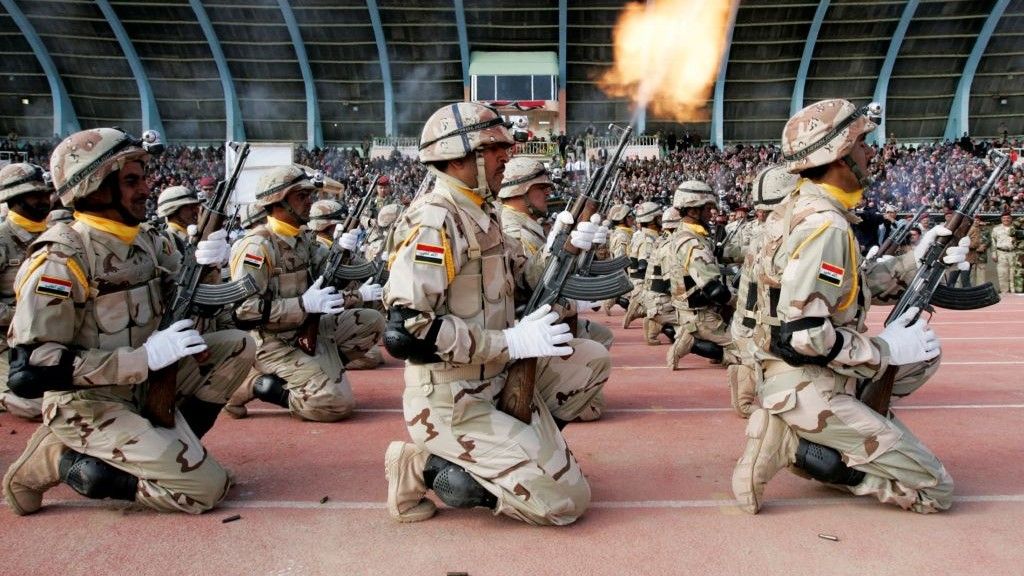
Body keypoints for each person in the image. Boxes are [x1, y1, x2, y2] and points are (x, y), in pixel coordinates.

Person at [732, 99, 969, 514]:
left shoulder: (796, 210)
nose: (869, 153)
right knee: (935, 491)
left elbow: (844, 290)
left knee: (923, 358)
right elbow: (805, 335)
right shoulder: (826, 226)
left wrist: (916, 261)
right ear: (839, 154)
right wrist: (885, 350)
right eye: (861, 144)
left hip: (791, 371)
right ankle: (796, 442)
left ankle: (833, 435)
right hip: (807, 381)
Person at [2, 127, 253, 515]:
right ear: (94, 188)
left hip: (144, 384)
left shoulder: (148, 240)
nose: (146, 189)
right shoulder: (62, 258)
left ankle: (176, 450)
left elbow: (192, 304)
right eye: (131, 181)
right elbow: (32, 369)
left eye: (144, 178)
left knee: (238, 346)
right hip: (89, 402)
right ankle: (58, 459)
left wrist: (209, 266)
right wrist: (143, 359)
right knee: (204, 491)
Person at [382, 102, 606, 526]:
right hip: (453, 398)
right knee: (565, 503)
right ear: (457, 157)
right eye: (493, 148)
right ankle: (422, 465)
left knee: (590, 359)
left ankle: (519, 455)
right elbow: (407, 331)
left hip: (497, 376)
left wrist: (570, 247)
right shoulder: (436, 220)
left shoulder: (484, 213)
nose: (506, 155)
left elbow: (526, 279)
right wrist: (509, 342)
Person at [225, 166, 378, 421]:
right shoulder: (257, 247)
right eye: (302, 196)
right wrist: (302, 304)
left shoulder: (303, 238)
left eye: (309, 195)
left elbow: (330, 275)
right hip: (272, 342)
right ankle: (257, 384)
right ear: (278, 202)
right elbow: (243, 311)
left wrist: (343, 252)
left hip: (306, 329)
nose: (310, 202)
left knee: (371, 322)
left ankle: (321, 371)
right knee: (335, 404)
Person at [497, 157, 614, 350]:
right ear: (520, 191)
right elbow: (529, 289)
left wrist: (589, 249)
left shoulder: (529, 226)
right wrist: (572, 303)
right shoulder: (514, 231)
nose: (548, 192)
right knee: (596, 350)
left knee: (601, 336)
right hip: (532, 324)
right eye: (541, 187)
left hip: (548, 316)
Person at [727, 165, 799, 418]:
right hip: (775, 338)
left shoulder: (761, 237)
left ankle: (747, 374)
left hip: (748, 327)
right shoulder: (789, 240)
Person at [664, 180, 740, 370]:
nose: (711, 213)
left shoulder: (689, 235)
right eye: (707, 209)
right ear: (693, 211)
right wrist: (739, 301)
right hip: (701, 316)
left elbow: (719, 254)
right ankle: (692, 341)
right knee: (748, 352)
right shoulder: (692, 243)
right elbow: (715, 290)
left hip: (695, 310)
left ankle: (694, 336)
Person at [0, 163, 54, 420]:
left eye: (46, 193)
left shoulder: (57, 236)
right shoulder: (3, 240)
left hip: (50, 337)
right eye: (36, 195)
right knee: (35, 405)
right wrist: (23, 316)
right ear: (14, 198)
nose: (45, 200)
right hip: (6, 342)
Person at [307, 198, 386, 371]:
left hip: (339, 308)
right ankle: (323, 361)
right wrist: (360, 295)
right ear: (330, 226)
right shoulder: (316, 249)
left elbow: (366, 270)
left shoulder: (337, 247)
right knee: (372, 356)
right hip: (322, 315)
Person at [641, 206, 681, 346]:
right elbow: (671, 283)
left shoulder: (661, 240)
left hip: (654, 298)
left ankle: (658, 320)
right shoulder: (670, 245)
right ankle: (660, 320)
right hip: (661, 302)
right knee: (697, 324)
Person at [621, 201, 662, 329]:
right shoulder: (648, 240)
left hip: (637, 283)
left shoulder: (641, 236)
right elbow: (644, 266)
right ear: (652, 220)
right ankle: (642, 311)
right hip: (643, 285)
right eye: (659, 217)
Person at [601, 203, 634, 315]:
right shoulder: (622, 236)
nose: (632, 218)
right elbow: (621, 260)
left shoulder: (624, 232)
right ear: (622, 219)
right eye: (629, 216)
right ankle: (614, 298)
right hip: (625, 271)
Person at [155, 185, 202, 254]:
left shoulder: (191, 232)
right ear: (173, 212)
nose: (196, 210)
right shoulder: (167, 241)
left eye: (195, 206)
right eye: (190, 207)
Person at [991, 212, 1017, 293]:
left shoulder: (1016, 228)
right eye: (1004, 218)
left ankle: (1014, 292)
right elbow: (993, 241)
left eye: (1008, 218)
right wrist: (993, 253)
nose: (1006, 219)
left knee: (1014, 273)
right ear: (1001, 219)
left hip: (1014, 253)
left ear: (1011, 219)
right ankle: (1004, 292)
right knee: (1002, 273)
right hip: (1001, 253)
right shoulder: (996, 229)